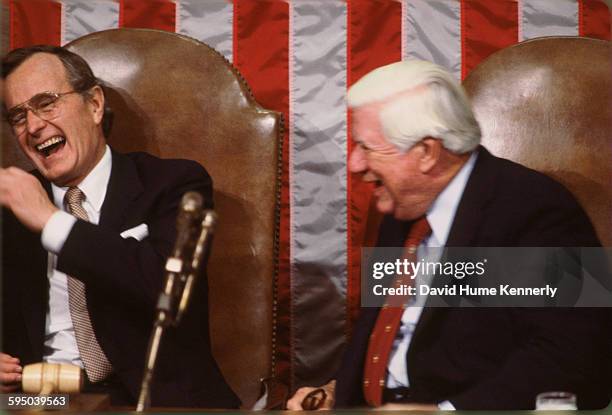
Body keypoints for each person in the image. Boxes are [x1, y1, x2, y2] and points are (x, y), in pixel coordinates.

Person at [287, 60, 610, 410]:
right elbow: (386, 338)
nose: (355, 164)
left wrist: (446, 413)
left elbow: (572, 355)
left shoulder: (535, 209)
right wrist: (338, 392)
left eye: (366, 147)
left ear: (426, 152)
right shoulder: (400, 212)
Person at [0, 45, 239, 408]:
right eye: (19, 116)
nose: (33, 126)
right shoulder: (8, 207)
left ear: (95, 105)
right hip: (40, 403)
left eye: (47, 103)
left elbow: (170, 290)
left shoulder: (174, 184)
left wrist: (52, 222)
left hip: (156, 402)